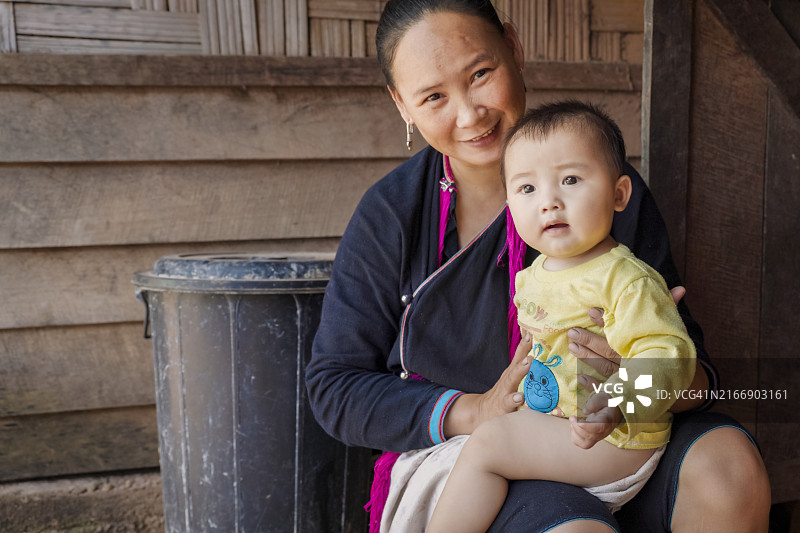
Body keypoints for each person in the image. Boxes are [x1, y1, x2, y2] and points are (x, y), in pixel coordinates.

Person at [305, 1, 771, 532]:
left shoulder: (602, 188)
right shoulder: (392, 214)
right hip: (472, 456)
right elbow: (335, 387)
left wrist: (634, 380)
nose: (469, 114)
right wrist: (476, 410)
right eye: (434, 96)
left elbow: (693, 374)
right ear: (401, 104)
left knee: (729, 470)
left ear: (514, 48)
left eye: (480, 74)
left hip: (616, 431)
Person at [427, 101, 697, 533]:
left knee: (489, 443)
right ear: (510, 203)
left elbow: (669, 355)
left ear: (619, 194)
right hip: (562, 425)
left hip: (617, 435)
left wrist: (618, 401)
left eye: (570, 180)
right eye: (527, 188)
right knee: (496, 438)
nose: (549, 202)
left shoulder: (623, 278)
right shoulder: (533, 275)